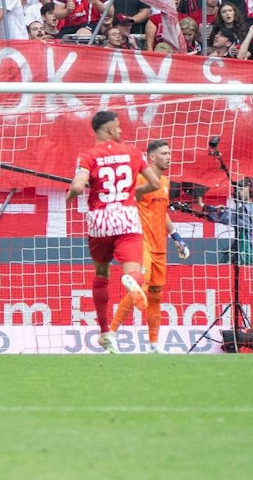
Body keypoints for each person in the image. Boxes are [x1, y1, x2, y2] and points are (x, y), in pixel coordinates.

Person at [67, 109, 147, 354]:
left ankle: (104, 333)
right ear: (111, 128)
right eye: (119, 126)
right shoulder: (133, 152)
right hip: (126, 216)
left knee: (101, 273)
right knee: (135, 270)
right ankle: (132, 281)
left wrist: (70, 195)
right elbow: (153, 182)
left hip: (99, 220)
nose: (121, 130)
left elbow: (79, 186)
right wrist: (130, 194)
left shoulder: (88, 155)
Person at [125, 138, 174, 347]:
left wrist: (177, 237)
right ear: (152, 157)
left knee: (155, 296)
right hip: (141, 242)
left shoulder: (165, 182)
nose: (169, 157)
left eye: (169, 153)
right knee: (140, 288)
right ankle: (110, 333)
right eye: (164, 153)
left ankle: (154, 344)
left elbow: (162, 214)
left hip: (159, 246)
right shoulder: (139, 180)